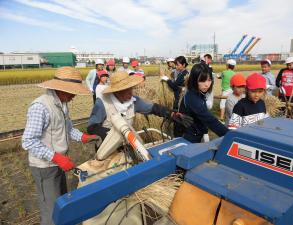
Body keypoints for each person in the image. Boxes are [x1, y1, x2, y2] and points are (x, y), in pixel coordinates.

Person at [22, 67, 100, 225]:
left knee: (61, 204)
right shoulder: (41, 107)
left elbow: (68, 128)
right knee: (51, 211)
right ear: (60, 88)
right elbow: (28, 141)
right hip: (45, 166)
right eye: (72, 92)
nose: (74, 96)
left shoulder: (62, 104)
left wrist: (83, 137)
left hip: (58, 163)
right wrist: (56, 157)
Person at [87, 71, 193, 157]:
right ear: (117, 91)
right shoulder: (103, 103)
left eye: (131, 89)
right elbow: (92, 127)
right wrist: (112, 135)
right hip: (107, 149)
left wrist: (171, 114)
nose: (131, 92)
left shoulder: (133, 101)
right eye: (126, 90)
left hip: (126, 145)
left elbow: (153, 108)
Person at [178, 63, 228, 143]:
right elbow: (210, 120)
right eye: (202, 80)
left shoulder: (199, 93)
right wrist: (230, 135)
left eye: (209, 80)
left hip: (195, 133)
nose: (207, 84)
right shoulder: (192, 98)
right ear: (194, 80)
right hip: (188, 137)